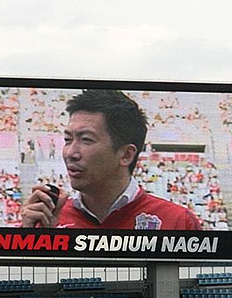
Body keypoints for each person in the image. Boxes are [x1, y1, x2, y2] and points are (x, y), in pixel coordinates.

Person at [20, 90, 202, 230]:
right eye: (68, 139)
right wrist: (29, 240)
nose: (70, 153)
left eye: (86, 140)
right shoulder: (49, 220)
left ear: (126, 155)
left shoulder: (177, 222)